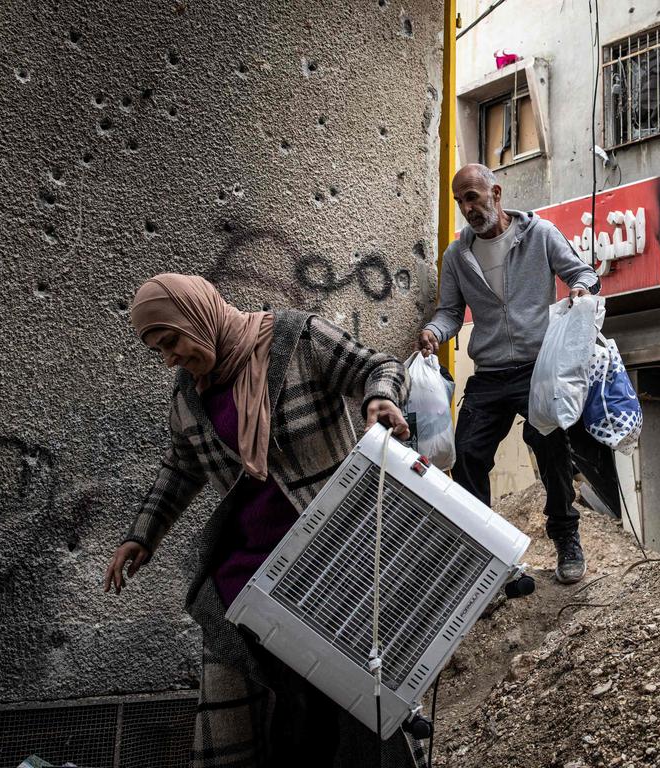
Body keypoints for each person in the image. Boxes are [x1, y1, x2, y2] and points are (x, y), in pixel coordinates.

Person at [103, 273, 424, 768]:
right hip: (253, 573)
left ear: (197, 315)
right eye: (159, 351)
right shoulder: (191, 393)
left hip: (333, 557)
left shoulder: (297, 339)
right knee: (273, 704)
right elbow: (181, 465)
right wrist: (141, 535)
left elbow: (376, 366)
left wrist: (380, 396)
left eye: (172, 341)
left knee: (342, 703)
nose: (170, 359)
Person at [417, 163, 600, 585]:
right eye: (461, 200)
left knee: (549, 446)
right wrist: (433, 332)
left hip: (538, 368)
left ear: (495, 193)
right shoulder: (457, 255)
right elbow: (449, 313)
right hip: (491, 373)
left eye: (473, 197)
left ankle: (565, 537)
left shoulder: (540, 235)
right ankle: (487, 557)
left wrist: (580, 290)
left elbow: (583, 273)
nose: (467, 207)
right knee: (467, 456)